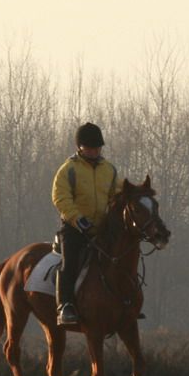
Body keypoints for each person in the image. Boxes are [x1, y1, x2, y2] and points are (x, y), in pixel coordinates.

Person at [51, 122, 122, 326]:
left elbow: (117, 194)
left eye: (97, 147)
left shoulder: (109, 170)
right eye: (90, 148)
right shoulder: (68, 170)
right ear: (80, 147)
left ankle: (125, 302)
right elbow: (60, 197)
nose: (94, 151)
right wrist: (77, 218)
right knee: (70, 263)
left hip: (101, 229)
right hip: (74, 229)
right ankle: (65, 306)